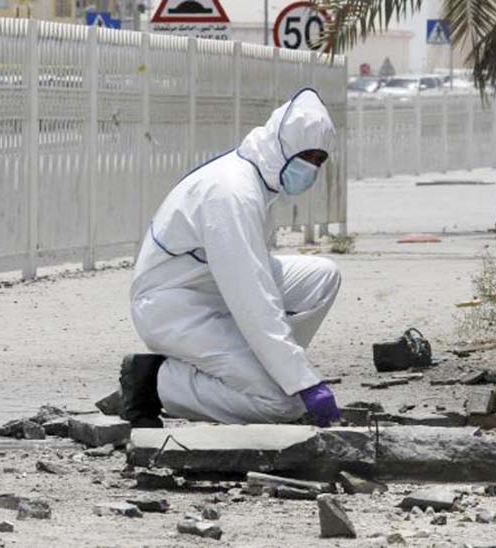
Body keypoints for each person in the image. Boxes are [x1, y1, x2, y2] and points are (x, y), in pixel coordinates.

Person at [125, 89, 342, 429]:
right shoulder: (232, 193)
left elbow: (251, 289)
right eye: (307, 156)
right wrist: (303, 382)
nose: (311, 168)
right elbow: (253, 298)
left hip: (207, 289)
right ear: (282, 145)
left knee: (322, 277)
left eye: (319, 161)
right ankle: (155, 383)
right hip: (176, 308)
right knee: (281, 405)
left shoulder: (254, 178)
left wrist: (290, 369)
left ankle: (267, 368)